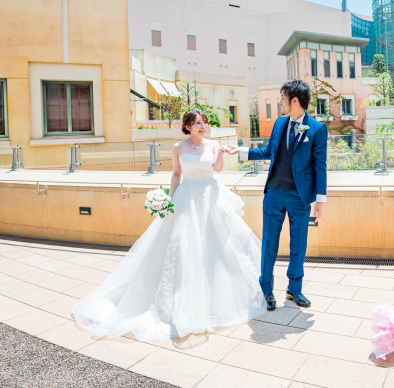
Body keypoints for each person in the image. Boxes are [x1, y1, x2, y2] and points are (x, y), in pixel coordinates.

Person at [72, 109, 266, 340]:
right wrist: (171, 200)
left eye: (204, 123)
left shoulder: (213, 145)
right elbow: (176, 174)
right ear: (187, 127)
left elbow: (218, 169)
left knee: (216, 246)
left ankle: (217, 297)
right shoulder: (178, 148)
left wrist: (221, 153)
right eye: (197, 123)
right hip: (186, 197)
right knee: (183, 245)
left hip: (209, 196)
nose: (203, 127)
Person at [222, 80, 327, 312]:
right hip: (274, 193)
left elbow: (320, 165)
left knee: (298, 244)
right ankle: (266, 290)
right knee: (269, 242)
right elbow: (269, 152)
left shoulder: (318, 129)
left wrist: (320, 199)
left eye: (282, 97)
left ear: (295, 101)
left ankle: (294, 290)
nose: (280, 101)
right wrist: (239, 150)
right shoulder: (279, 123)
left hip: (300, 196)